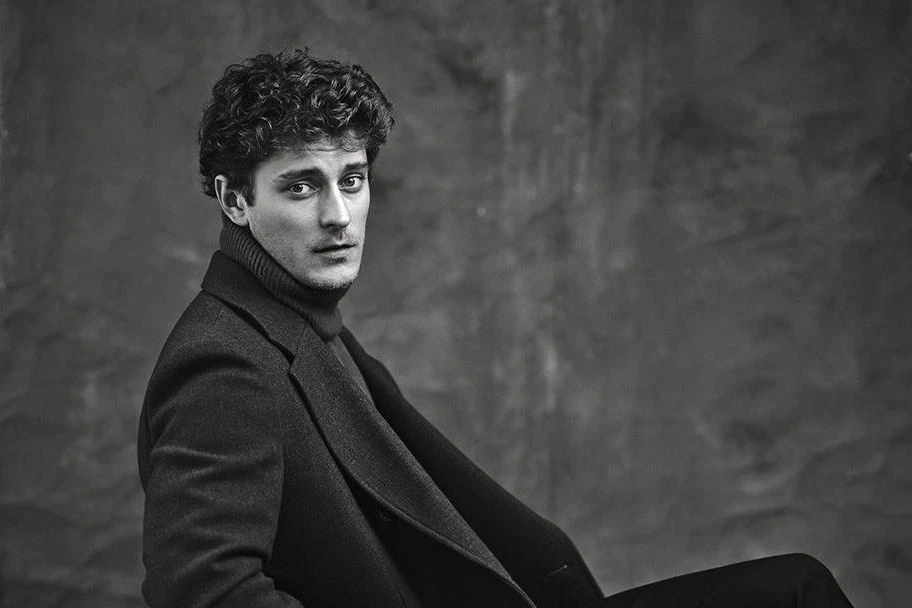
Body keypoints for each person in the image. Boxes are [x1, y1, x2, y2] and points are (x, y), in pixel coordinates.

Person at [137, 49, 854, 608]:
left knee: (797, 587)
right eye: (301, 186)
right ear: (235, 200)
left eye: (351, 179)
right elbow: (202, 592)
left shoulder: (297, 321)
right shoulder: (224, 363)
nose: (338, 215)